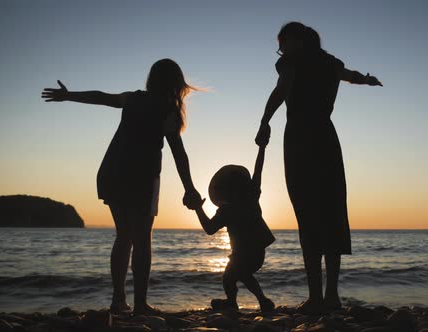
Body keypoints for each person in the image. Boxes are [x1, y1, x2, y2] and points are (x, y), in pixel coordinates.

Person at [41, 59, 202, 315]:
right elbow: (178, 153)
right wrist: (189, 188)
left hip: (112, 173)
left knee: (124, 236)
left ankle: (118, 301)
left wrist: (68, 95)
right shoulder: (167, 110)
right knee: (142, 240)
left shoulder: (133, 98)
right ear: (176, 82)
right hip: (141, 178)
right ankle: (139, 305)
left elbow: (101, 97)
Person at [255, 22, 383, 314]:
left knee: (308, 216)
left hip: (300, 139)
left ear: (296, 40)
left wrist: (264, 121)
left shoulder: (290, 61)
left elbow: (281, 91)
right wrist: (367, 79)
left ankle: (315, 297)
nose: (281, 49)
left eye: (283, 42)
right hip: (326, 139)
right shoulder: (330, 63)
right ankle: (332, 296)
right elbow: (350, 76)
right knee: (333, 213)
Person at [187, 125, 275, 312]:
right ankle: (244, 302)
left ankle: (254, 301)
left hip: (244, 253)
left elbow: (209, 228)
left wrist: (198, 209)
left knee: (235, 275)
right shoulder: (251, 197)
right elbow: (258, 171)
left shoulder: (228, 209)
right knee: (235, 275)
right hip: (256, 252)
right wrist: (262, 148)